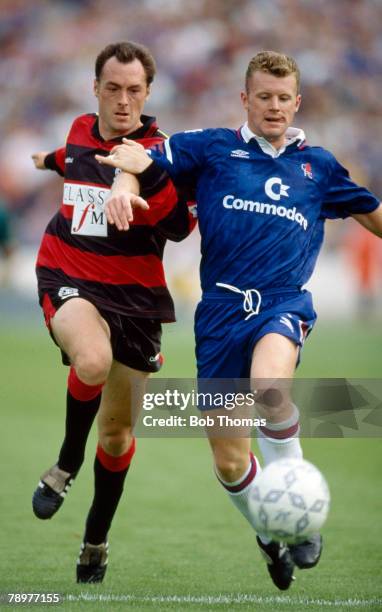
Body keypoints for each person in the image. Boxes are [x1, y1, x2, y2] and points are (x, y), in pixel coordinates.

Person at [97, 50, 382, 591]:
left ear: (296, 103)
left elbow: (373, 214)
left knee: (269, 388)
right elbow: (136, 157)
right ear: (244, 99)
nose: (274, 107)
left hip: (282, 301)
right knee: (231, 462)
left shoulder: (317, 166)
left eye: (283, 98)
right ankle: (270, 534)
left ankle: (301, 517)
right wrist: (122, 187)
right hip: (222, 312)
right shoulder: (210, 148)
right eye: (264, 97)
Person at [31, 41, 195, 584]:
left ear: (147, 94)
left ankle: (95, 541)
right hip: (68, 276)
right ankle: (65, 464)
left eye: (133, 90)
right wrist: (43, 160)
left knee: (119, 435)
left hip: (137, 301)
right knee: (93, 362)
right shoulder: (80, 130)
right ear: (95, 89)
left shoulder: (162, 152)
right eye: (112, 88)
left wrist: (142, 180)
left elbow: (180, 227)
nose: (122, 100)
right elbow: (67, 158)